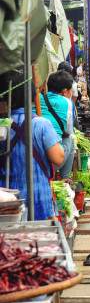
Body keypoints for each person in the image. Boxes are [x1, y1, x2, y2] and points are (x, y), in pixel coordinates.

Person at [0, 71, 65, 220]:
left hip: (5, 203)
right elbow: (58, 158)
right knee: (37, 233)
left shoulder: (2, 124)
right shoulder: (41, 124)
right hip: (38, 201)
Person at [40, 70, 75, 179]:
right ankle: (65, 178)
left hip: (32, 157)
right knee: (71, 137)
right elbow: (68, 130)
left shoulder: (38, 99)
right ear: (65, 92)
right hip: (52, 161)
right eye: (71, 90)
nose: (72, 93)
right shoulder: (67, 102)